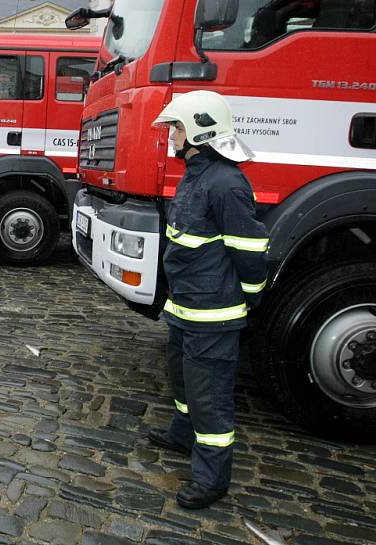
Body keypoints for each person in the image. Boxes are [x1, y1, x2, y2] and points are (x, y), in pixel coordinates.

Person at [147, 91, 269, 509]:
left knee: (209, 396)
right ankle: (182, 435)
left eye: (178, 128)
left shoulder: (226, 182)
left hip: (212, 315)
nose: (173, 136)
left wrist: (250, 297)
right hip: (186, 309)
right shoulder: (196, 173)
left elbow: (250, 251)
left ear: (201, 129)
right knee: (183, 380)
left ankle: (212, 478)